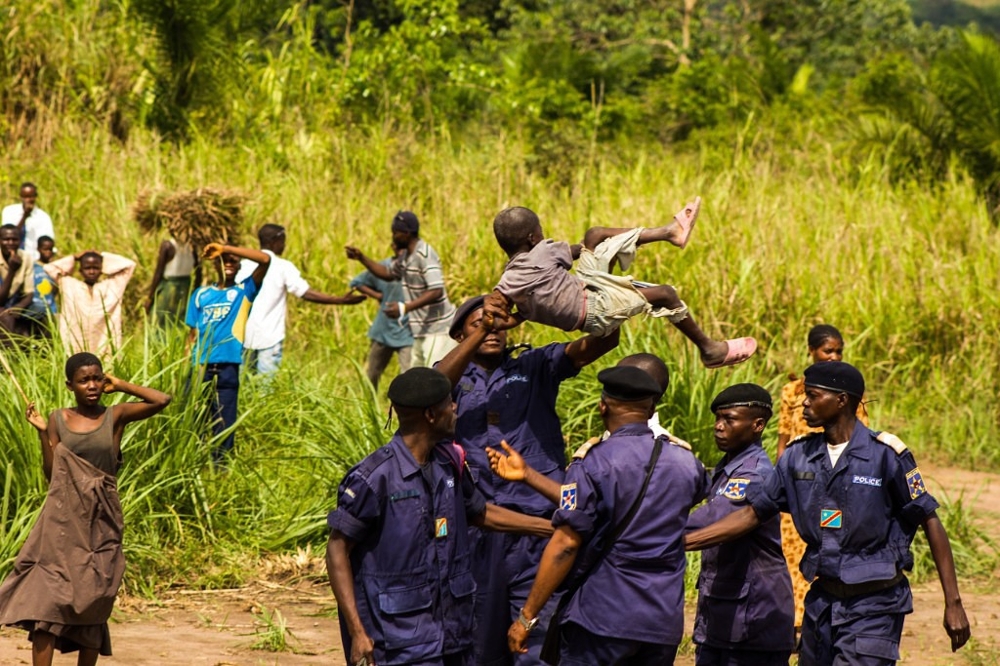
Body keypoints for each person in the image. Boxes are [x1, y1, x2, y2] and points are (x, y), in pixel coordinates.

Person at [685, 362, 971, 665]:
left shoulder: (885, 455)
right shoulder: (798, 456)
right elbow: (753, 513)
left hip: (874, 605)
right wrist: (685, 541)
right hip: (822, 601)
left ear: (842, 400)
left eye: (812, 395)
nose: (803, 403)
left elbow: (929, 519)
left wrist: (953, 603)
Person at [325, 367, 554, 666]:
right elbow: (337, 549)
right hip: (398, 644)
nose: (456, 407)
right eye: (449, 403)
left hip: (453, 638)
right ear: (431, 415)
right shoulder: (374, 478)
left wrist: (552, 529)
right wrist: (357, 632)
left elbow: (480, 513)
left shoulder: (448, 464)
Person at [436, 295, 619, 666]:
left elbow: (602, 342)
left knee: (535, 643)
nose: (493, 329)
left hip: (539, 529)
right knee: (478, 644)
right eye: (480, 323)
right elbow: (432, 386)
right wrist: (480, 331)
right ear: (458, 335)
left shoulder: (534, 366)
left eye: (498, 323)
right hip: (476, 530)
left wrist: (586, 300)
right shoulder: (452, 376)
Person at [507, 366, 710, 665]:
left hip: (602, 618)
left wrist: (526, 618)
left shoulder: (592, 463)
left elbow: (565, 544)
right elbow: (693, 496)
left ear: (602, 406)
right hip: (661, 620)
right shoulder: (686, 462)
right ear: (652, 408)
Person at [0, 352, 171, 665]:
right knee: (47, 600)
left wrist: (120, 385)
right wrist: (42, 434)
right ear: (70, 386)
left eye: (97, 378)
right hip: (62, 521)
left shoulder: (115, 416)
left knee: (95, 599)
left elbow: (161, 399)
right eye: (84, 380)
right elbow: (52, 475)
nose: (92, 385)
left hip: (101, 520)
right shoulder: (57, 419)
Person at [484, 203, 756, 369]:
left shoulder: (508, 280)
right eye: (541, 231)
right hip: (595, 308)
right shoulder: (542, 251)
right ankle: (709, 350)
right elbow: (576, 251)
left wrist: (518, 318)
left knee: (596, 235)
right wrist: (602, 248)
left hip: (587, 295)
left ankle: (671, 232)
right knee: (664, 294)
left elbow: (520, 304)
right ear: (533, 237)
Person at [685, 383, 794, 665]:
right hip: (725, 613)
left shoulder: (754, 473)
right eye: (717, 419)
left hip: (753, 618)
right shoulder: (728, 468)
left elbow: (713, 517)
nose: (718, 427)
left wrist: (648, 530)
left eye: (729, 419)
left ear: (757, 425)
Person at [776, 324, 869, 637]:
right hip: (800, 478)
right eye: (828, 350)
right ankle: (794, 622)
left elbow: (859, 440)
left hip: (833, 482)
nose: (833, 356)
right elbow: (783, 440)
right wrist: (782, 481)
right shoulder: (792, 392)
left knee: (828, 546)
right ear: (811, 350)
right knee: (793, 553)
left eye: (838, 351)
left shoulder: (849, 392)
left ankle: (822, 623)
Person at [237, 224, 363, 375]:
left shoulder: (243, 266)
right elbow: (306, 293)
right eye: (283, 241)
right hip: (270, 337)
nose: (284, 246)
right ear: (275, 241)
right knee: (266, 389)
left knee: (241, 384)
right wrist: (340, 300)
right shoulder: (283, 267)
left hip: (242, 335)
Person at [185, 242, 270, 462]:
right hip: (200, 366)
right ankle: (195, 463)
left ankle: (220, 468)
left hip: (227, 366)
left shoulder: (244, 291)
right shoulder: (200, 294)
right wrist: (186, 366)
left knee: (224, 421)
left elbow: (265, 260)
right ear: (215, 264)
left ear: (240, 264)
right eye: (223, 260)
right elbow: (191, 334)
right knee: (196, 419)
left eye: (232, 260)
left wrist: (224, 248)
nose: (227, 264)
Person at [346, 211, 458, 368]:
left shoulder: (424, 254)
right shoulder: (406, 256)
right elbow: (387, 273)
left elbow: (436, 290)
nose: (392, 237)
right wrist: (361, 258)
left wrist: (404, 308)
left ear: (406, 233)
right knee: (415, 381)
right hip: (420, 331)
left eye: (395, 233)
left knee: (436, 379)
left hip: (437, 330)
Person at [43, 250, 136, 357]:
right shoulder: (69, 285)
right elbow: (49, 268)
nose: (91, 271)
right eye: (87, 268)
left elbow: (129, 265)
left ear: (102, 269)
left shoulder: (112, 286)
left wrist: (102, 255)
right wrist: (74, 257)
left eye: (96, 268)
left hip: (104, 343)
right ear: (80, 270)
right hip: (76, 343)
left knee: (106, 367)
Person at [348, 250, 414, 389]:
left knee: (409, 376)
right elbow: (356, 282)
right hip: (383, 330)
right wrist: (378, 295)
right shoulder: (383, 267)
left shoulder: (417, 269)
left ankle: (407, 408)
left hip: (408, 331)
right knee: (372, 374)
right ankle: (369, 405)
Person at [144, 236, 198, 328]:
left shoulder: (168, 245)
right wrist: (195, 292)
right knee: (180, 320)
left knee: (161, 319)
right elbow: (198, 272)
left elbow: (158, 273)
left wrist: (150, 297)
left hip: (169, 289)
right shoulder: (192, 247)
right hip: (185, 290)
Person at [1, 182, 55, 262]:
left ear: (36, 196)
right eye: (25, 197)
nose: (28, 200)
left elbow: (49, 243)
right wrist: (24, 216)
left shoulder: (43, 217)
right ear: (20, 197)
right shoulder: (9, 211)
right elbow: (9, 234)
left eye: (31, 197)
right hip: (11, 258)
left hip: (33, 259)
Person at [0, 224, 35, 336]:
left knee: (41, 312)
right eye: (6, 239)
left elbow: (29, 293)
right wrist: (11, 271)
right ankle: (9, 351)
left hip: (15, 303)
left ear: (20, 241)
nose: (10, 243)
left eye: (14, 240)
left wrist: (18, 308)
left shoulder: (26, 257)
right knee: (6, 318)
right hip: (2, 302)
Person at [23, 236, 59, 337]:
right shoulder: (33, 267)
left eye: (50, 249)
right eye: (45, 249)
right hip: (35, 309)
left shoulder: (54, 268)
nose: (48, 252)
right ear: (38, 249)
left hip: (51, 309)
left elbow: (56, 290)